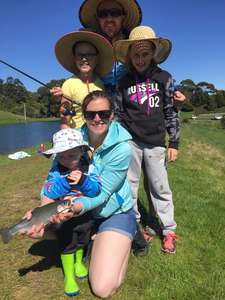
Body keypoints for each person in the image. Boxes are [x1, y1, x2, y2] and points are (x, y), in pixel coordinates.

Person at [23, 90, 136, 298]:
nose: (97, 118)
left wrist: (73, 207)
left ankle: (125, 238)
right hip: (80, 214)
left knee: (102, 288)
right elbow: (52, 179)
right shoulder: (71, 139)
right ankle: (92, 240)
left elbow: (101, 195)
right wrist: (43, 211)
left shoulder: (122, 148)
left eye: (103, 113)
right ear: (83, 115)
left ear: (112, 114)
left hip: (112, 213)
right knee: (39, 229)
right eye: (90, 114)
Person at [114, 25, 180, 254]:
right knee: (129, 187)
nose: (140, 59)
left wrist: (174, 142)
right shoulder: (123, 82)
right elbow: (119, 113)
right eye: (136, 54)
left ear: (153, 53)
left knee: (159, 187)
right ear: (130, 56)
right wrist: (120, 139)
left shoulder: (165, 78)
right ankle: (134, 226)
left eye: (145, 54)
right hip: (131, 143)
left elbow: (171, 110)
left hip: (156, 143)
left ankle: (169, 230)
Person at [32, 128, 101, 296]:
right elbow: (49, 190)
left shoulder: (90, 167)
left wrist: (83, 181)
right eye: (61, 156)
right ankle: (68, 276)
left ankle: (79, 262)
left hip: (84, 211)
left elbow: (96, 190)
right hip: (62, 214)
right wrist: (65, 183)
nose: (66, 161)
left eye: (71, 156)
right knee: (67, 241)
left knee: (83, 237)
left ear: (81, 150)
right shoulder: (56, 169)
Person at [79, 0, 185, 103]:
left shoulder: (133, 43)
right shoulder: (91, 45)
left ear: (123, 17)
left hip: (131, 107)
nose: (109, 18)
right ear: (98, 18)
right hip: (100, 107)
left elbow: (150, 67)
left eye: (115, 13)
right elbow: (80, 70)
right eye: (103, 14)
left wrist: (173, 91)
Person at [51, 30, 114, 129]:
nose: (84, 59)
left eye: (89, 55)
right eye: (80, 55)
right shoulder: (68, 84)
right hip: (77, 134)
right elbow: (64, 118)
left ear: (97, 58)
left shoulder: (100, 83)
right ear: (74, 58)